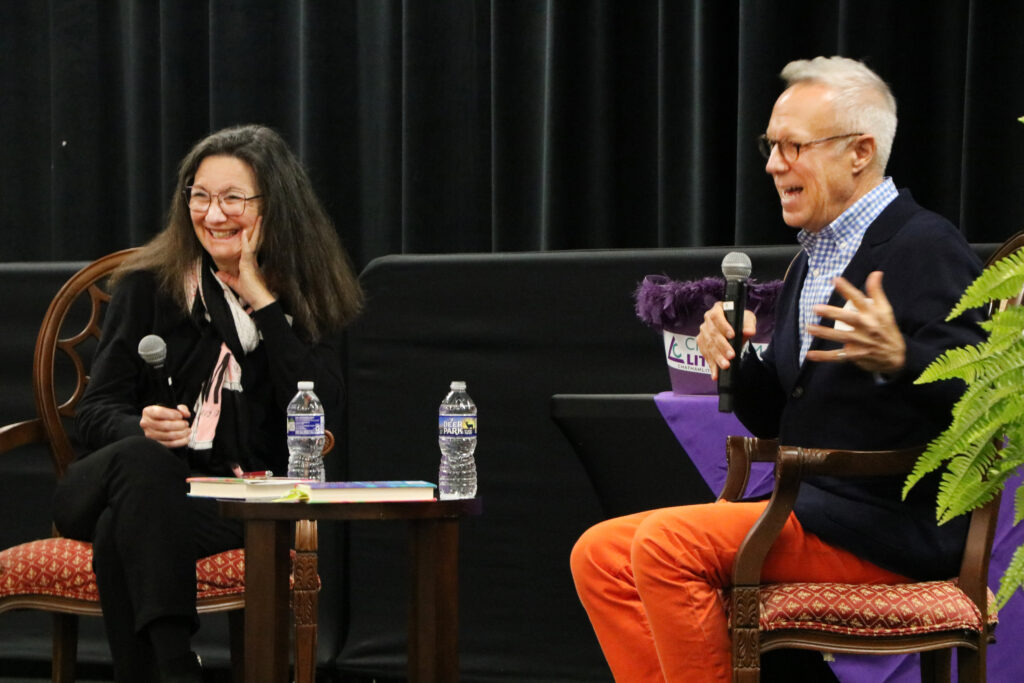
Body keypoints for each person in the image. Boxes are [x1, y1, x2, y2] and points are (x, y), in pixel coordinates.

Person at [570, 56, 987, 681]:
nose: (771, 165)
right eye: (770, 146)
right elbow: (783, 419)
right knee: (598, 554)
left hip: (883, 528)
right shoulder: (809, 261)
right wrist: (739, 366)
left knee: (664, 548)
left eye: (792, 145)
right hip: (812, 507)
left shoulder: (925, 246)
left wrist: (902, 357)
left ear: (859, 152)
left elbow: (984, 400)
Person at [52, 124, 364, 682]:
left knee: (118, 531)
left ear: (275, 206)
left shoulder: (307, 295)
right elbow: (95, 413)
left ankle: (169, 668)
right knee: (144, 463)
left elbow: (318, 411)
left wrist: (263, 303)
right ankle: (177, 667)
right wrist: (139, 425)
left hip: (232, 500)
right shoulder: (151, 285)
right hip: (107, 481)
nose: (213, 215)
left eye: (232, 199)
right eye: (200, 196)